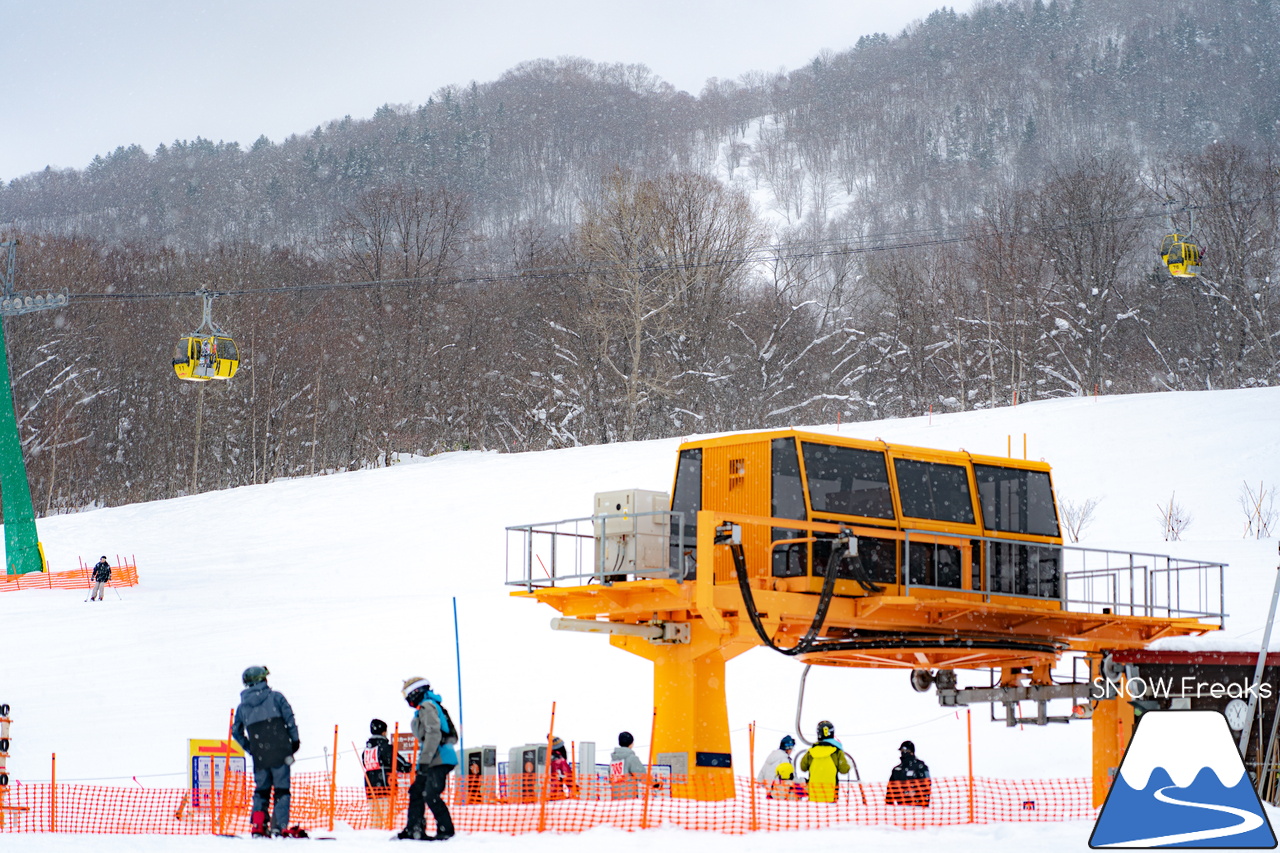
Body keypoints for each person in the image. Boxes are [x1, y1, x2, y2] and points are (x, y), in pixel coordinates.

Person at [231, 666, 304, 838]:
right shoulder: (276, 697)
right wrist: (294, 741)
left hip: (260, 756)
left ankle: (258, 825)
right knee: (281, 790)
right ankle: (278, 826)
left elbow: (236, 731)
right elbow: (290, 719)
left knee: (261, 790)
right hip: (281, 752)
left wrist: (251, 748)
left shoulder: (242, 707)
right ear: (262, 680)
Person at [396, 677, 458, 842]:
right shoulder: (426, 707)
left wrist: (424, 762)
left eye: (407, 695)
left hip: (439, 759)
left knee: (430, 793)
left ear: (416, 692)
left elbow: (433, 734)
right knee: (417, 791)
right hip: (435, 758)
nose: (407, 699)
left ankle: (446, 830)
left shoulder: (427, 706)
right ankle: (414, 829)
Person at [362, 718, 410, 829]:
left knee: (375, 822)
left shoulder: (366, 751)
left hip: (370, 791)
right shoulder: (386, 748)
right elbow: (401, 765)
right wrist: (416, 767)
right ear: (384, 732)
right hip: (386, 789)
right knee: (389, 821)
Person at [799, 720, 850, 803]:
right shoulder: (837, 751)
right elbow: (844, 770)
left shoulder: (811, 752)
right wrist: (849, 764)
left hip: (813, 794)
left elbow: (803, 767)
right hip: (831, 795)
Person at [885, 740, 932, 807]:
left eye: (906, 751)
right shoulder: (897, 770)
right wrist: (889, 806)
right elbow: (890, 790)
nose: (904, 753)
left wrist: (915, 793)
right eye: (902, 751)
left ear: (912, 752)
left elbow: (926, 786)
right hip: (901, 808)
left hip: (918, 807)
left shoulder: (920, 767)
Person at [609, 731, 646, 799]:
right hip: (629, 798)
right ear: (631, 743)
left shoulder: (613, 760)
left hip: (615, 798)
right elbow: (642, 776)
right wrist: (656, 784)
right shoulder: (631, 758)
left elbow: (610, 779)